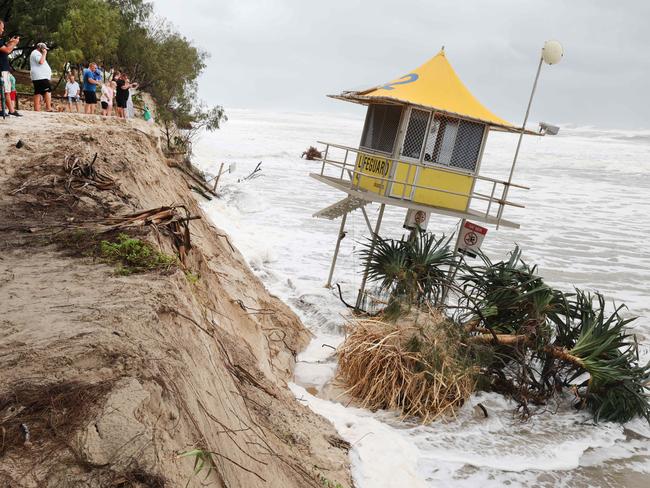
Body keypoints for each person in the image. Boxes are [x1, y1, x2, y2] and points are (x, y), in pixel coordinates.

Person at [0, 20, 20, 117]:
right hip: (2, 68)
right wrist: (14, 43)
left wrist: (10, 42)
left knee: (6, 90)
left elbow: (5, 47)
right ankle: (8, 110)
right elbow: (7, 50)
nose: (3, 30)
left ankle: (10, 110)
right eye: (2, 27)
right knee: (5, 90)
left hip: (4, 68)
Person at [30, 42, 52, 112]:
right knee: (47, 91)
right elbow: (41, 61)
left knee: (38, 92)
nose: (45, 50)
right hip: (41, 76)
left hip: (39, 76)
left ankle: (37, 109)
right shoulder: (36, 53)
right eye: (44, 49)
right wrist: (44, 53)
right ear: (41, 48)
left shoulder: (36, 53)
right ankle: (48, 108)